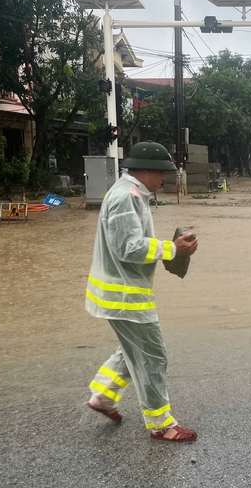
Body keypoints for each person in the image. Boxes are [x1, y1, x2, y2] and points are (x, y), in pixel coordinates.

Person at [84, 142, 199, 442]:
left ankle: (103, 396)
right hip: (126, 297)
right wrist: (172, 249)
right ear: (148, 170)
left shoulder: (130, 193)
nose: (164, 179)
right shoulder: (127, 197)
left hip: (121, 294)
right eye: (163, 174)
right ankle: (161, 424)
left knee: (135, 348)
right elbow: (128, 247)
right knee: (153, 356)